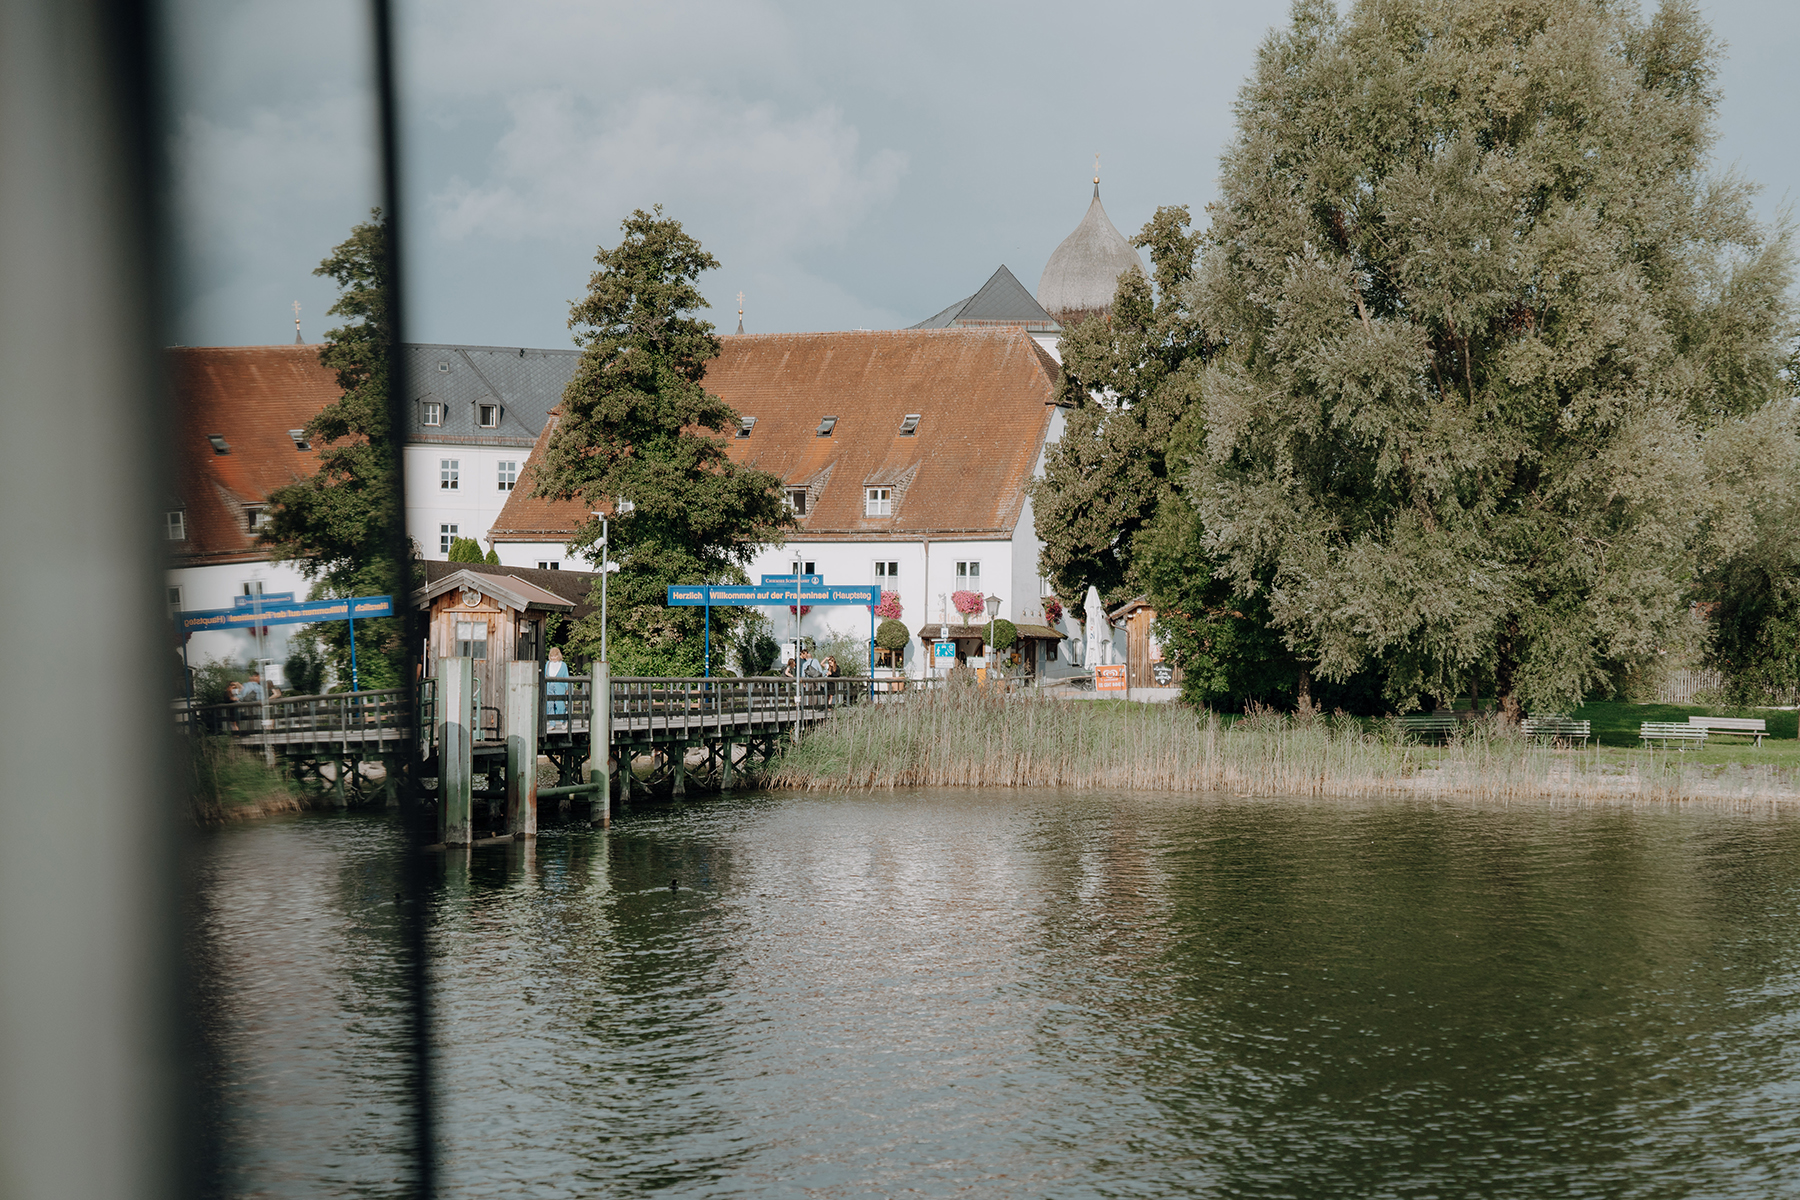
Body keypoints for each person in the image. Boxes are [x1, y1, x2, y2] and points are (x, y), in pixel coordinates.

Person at [545, 646, 569, 732]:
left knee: (559, 704)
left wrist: (567, 688)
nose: (553, 658)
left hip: (559, 685)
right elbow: (545, 675)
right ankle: (552, 723)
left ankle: (563, 721)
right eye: (552, 656)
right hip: (549, 685)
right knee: (549, 704)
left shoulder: (563, 665)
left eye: (555, 656)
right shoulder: (548, 664)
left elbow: (566, 676)